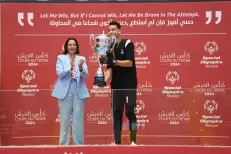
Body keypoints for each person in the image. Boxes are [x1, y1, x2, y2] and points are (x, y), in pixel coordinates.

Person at [99, 21, 138, 145]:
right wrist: (103, 81)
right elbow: (110, 69)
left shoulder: (127, 43)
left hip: (129, 85)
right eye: (109, 30)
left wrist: (115, 61)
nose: (110, 32)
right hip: (116, 86)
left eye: (113, 29)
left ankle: (133, 141)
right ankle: (117, 141)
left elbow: (129, 63)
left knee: (130, 111)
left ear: (119, 31)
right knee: (117, 113)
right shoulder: (109, 49)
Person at [51, 37, 90, 145]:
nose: (72, 47)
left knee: (78, 120)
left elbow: (86, 75)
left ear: (77, 47)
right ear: (66, 47)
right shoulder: (61, 58)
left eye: (74, 45)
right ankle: (63, 145)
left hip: (78, 90)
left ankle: (79, 145)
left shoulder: (82, 58)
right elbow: (59, 73)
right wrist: (70, 66)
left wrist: (81, 68)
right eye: (70, 45)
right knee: (64, 119)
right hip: (65, 91)